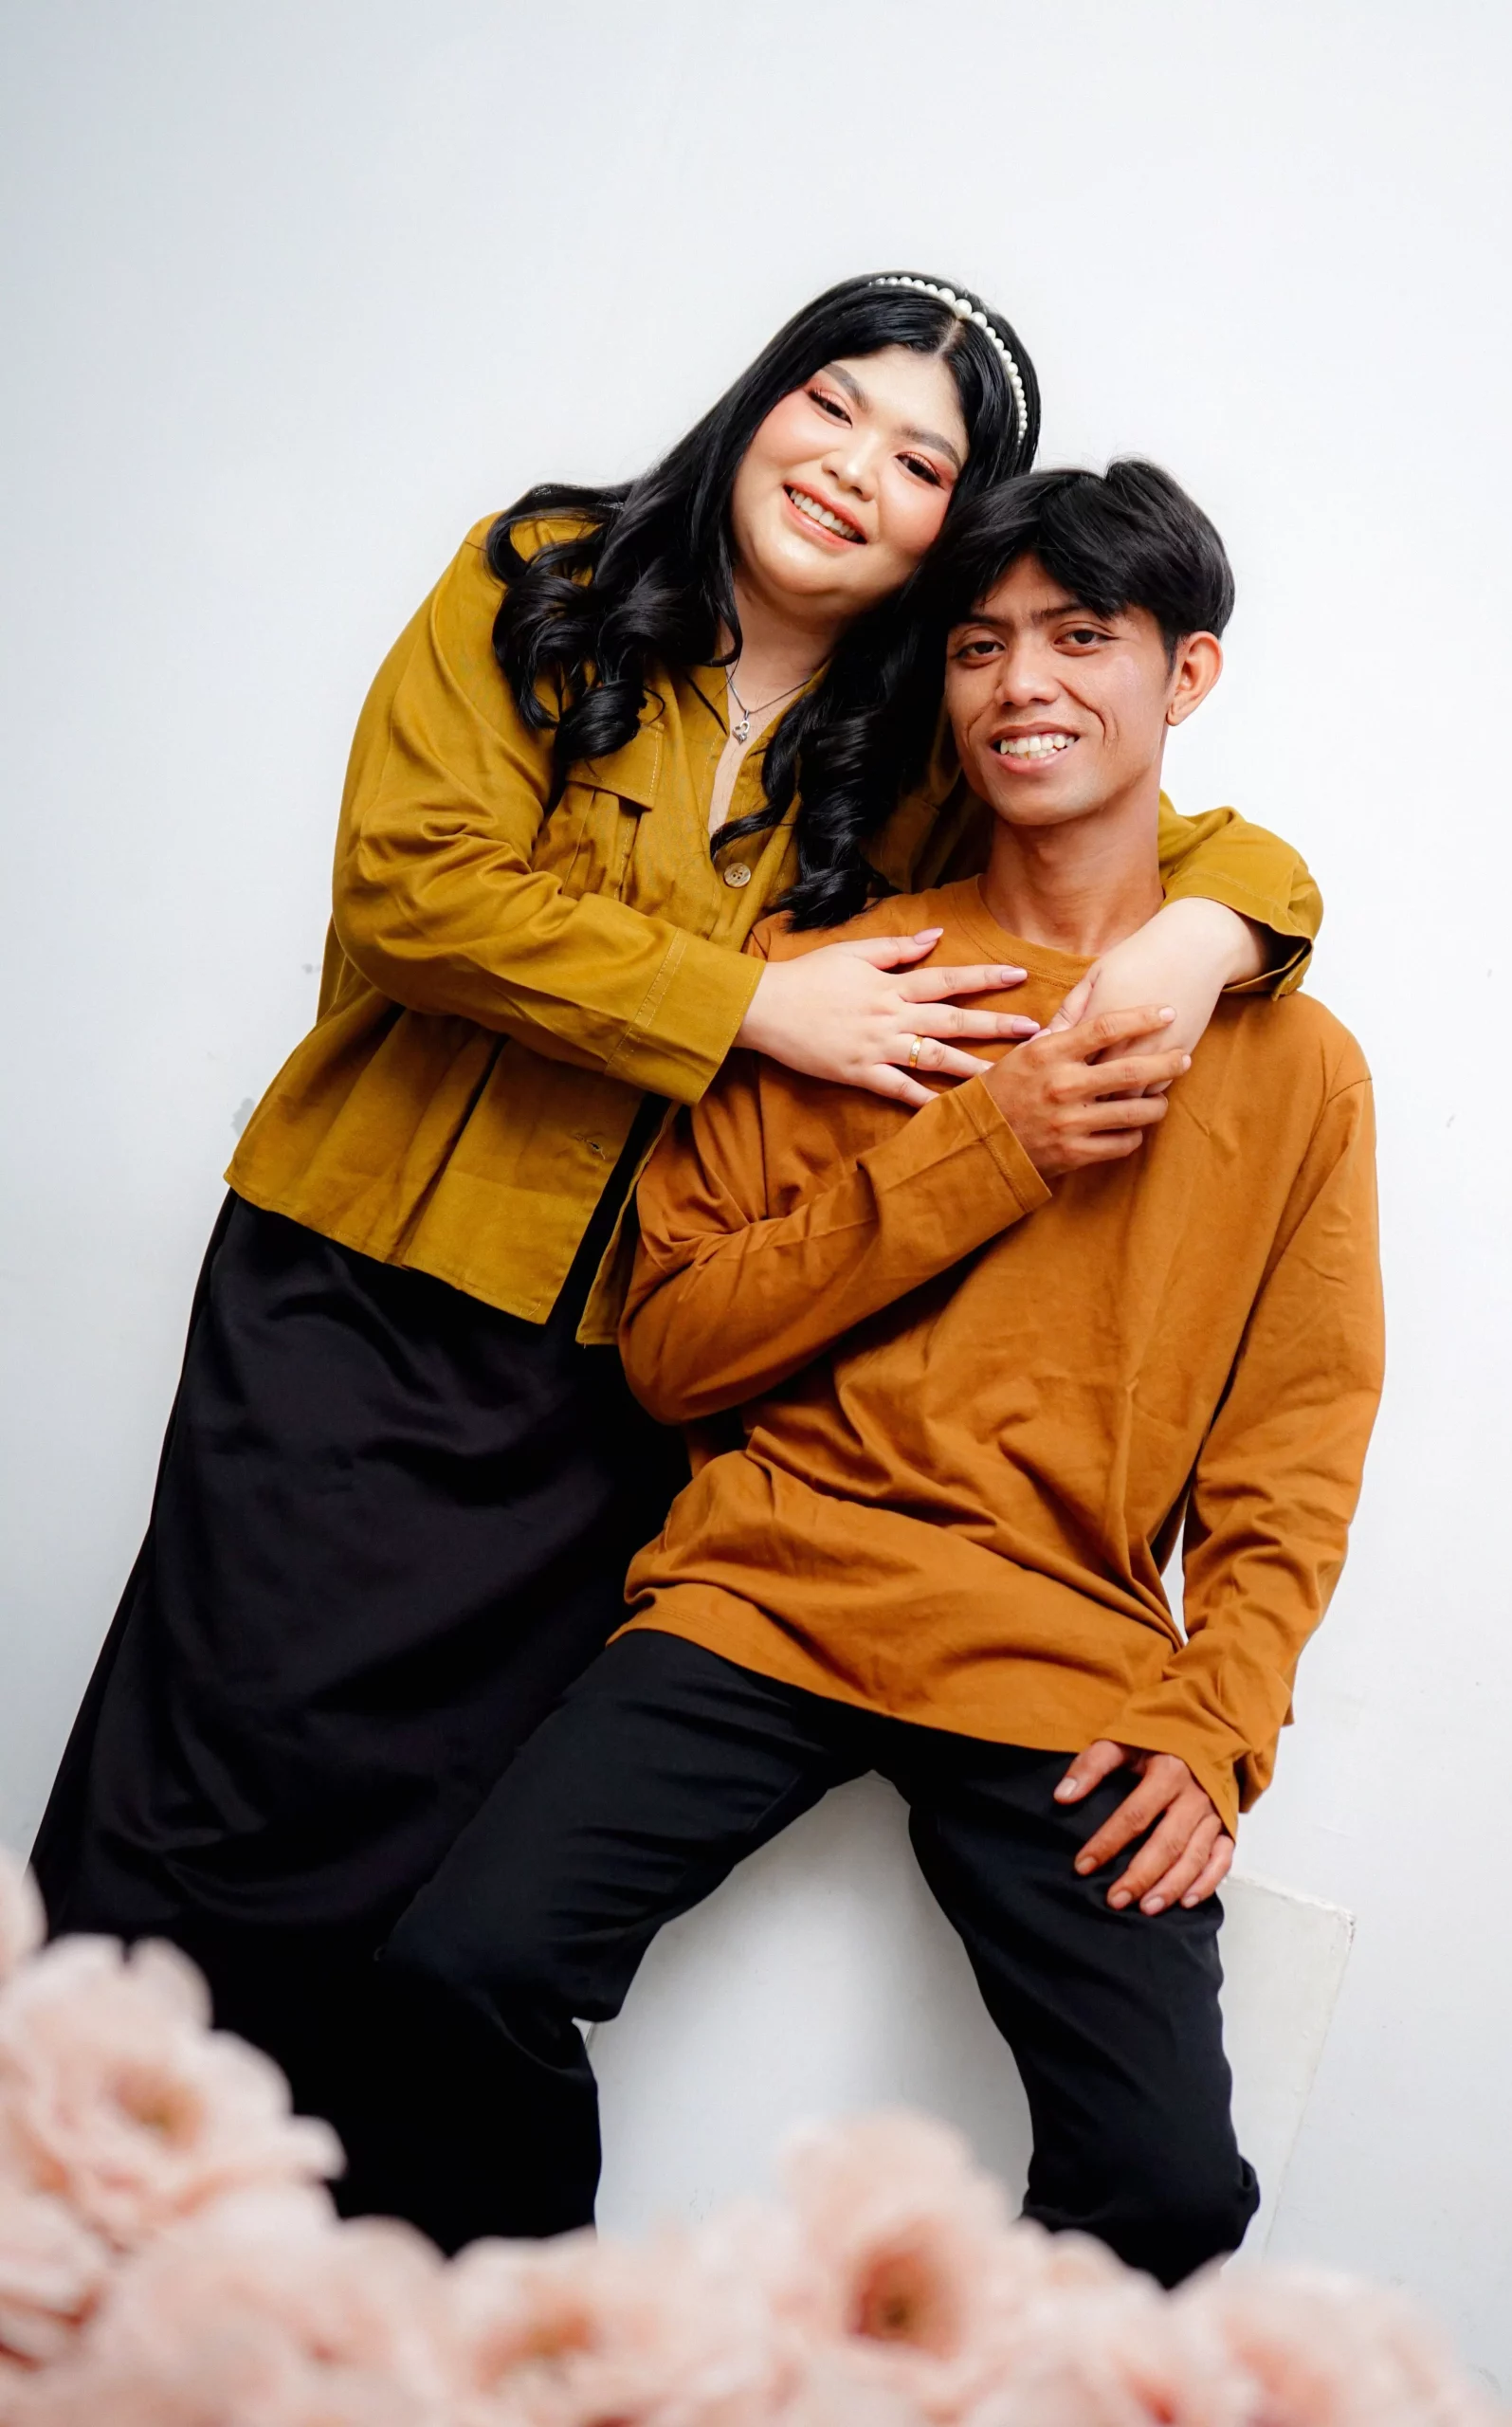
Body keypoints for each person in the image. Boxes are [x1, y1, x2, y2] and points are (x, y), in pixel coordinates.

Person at [32, 275, 1321, 2220]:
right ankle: (57, 2235)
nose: (856, 470)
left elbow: (1154, 818)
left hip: (625, 1385)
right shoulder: (545, 575)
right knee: (201, 1786)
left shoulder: (919, 737)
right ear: (760, 398)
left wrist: (1215, 933)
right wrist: (749, 1002)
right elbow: (411, 883)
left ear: (944, 534)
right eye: (834, 405)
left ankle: (335, 2305)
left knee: (437, 1877)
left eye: (921, 464)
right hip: (362, 1280)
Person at [384, 459, 1384, 2282]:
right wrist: (994, 1140)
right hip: (768, 1593)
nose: (1022, 685)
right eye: (979, 646)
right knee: (459, 1972)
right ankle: (575, 2375)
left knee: (1169, 2190)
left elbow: (1295, 1430)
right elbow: (673, 1353)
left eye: (1081, 639)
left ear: (1187, 675)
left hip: (1061, 1646)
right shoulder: (835, 982)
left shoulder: (1291, 1059)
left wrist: (1219, 1714)